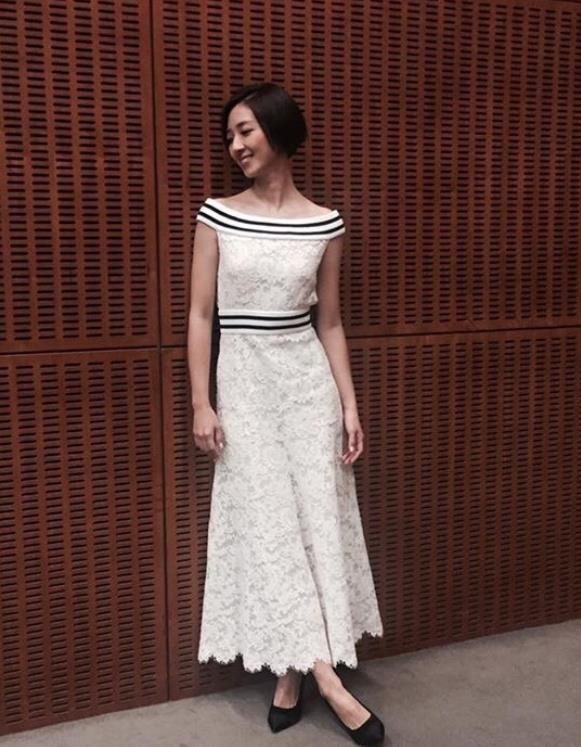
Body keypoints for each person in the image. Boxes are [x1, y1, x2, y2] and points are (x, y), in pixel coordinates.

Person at [187, 81, 386, 745]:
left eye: (245, 130)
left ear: (278, 131)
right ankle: (330, 681)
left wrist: (349, 404)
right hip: (245, 387)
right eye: (229, 136)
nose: (235, 145)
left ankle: (292, 676)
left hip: (307, 389)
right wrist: (202, 400)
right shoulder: (217, 215)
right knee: (268, 527)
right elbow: (201, 314)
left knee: (311, 526)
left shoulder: (325, 223)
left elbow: (329, 323)